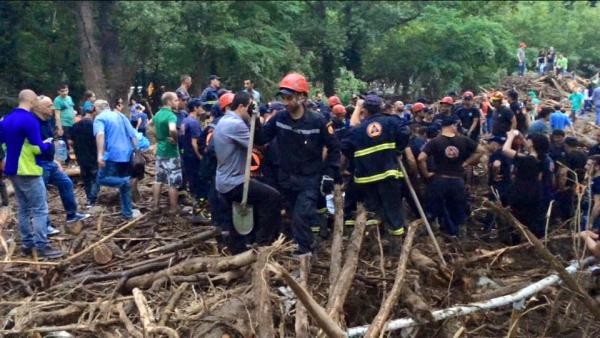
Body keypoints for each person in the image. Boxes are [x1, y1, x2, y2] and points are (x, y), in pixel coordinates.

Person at [257, 73, 340, 255]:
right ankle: (304, 246)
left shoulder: (318, 121)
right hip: (286, 179)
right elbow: (262, 138)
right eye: (284, 98)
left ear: (302, 97)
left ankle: (303, 254)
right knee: (294, 215)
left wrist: (329, 174)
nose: (285, 102)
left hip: (309, 179)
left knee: (302, 214)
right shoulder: (279, 118)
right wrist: (254, 120)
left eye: (289, 98)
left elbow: (334, 148)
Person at [214, 91, 281, 253]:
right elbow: (259, 142)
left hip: (223, 180)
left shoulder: (224, 120)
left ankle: (237, 249)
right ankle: (263, 242)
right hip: (234, 182)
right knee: (272, 197)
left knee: (237, 213)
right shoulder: (235, 125)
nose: (251, 111)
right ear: (242, 106)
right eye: (250, 108)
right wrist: (256, 119)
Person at [1, 90, 63, 258]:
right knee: (40, 209)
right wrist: (49, 147)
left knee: (23, 208)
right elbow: (38, 145)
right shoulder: (29, 119)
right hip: (28, 169)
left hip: (12, 169)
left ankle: (28, 244)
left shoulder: (6, 119)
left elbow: (5, 144)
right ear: (33, 101)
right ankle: (42, 245)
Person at [341, 94, 410, 238]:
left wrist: (357, 158)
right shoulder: (391, 121)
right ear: (381, 108)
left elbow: (346, 146)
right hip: (388, 175)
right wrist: (397, 150)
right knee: (393, 210)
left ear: (364, 111)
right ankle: (395, 244)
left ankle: (374, 240)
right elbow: (405, 133)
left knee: (372, 210)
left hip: (366, 180)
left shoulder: (358, 129)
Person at [418, 116, 483, 237]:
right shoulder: (464, 140)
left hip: (440, 180)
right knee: (458, 208)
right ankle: (461, 237)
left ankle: (433, 234)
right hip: (457, 180)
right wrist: (466, 163)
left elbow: (421, 158)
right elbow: (481, 151)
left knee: (435, 207)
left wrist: (426, 174)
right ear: (453, 126)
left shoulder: (435, 141)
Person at [33, 96, 90, 230]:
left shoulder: (47, 121)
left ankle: (72, 214)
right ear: (39, 108)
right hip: (39, 163)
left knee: (66, 183)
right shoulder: (33, 123)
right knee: (41, 194)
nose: (52, 108)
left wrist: (55, 160)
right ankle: (44, 226)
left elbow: (51, 141)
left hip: (50, 162)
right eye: (49, 106)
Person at [502, 131, 554, 238]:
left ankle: (515, 241)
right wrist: (521, 135)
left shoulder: (527, 160)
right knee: (532, 218)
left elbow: (505, 150)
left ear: (533, 144)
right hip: (535, 192)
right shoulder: (542, 159)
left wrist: (510, 137)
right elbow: (531, 149)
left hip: (521, 192)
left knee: (517, 219)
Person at [93, 99, 139, 220]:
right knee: (124, 187)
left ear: (97, 108)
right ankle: (127, 214)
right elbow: (132, 134)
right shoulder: (120, 115)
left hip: (112, 155)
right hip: (127, 154)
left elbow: (100, 135)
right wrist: (137, 151)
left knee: (101, 179)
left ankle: (125, 182)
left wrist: (99, 155)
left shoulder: (99, 118)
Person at [149, 92, 183, 215]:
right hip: (171, 152)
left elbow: (149, 125)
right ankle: (173, 208)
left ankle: (155, 206)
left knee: (158, 179)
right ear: (168, 102)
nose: (177, 102)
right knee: (173, 182)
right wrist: (175, 138)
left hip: (160, 151)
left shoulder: (157, 114)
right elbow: (173, 129)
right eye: (175, 100)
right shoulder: (171, 116)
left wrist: (158, 136)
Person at [181, 98, 210, 222]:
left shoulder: (184, 120)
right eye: (200, 107)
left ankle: (197, 210)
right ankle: (199, 213)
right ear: (195, 108)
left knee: (193, 186)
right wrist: (201, 157)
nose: (202, 109)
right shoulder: (194, 123)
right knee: (200, 188)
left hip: (186, 157)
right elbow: (195, 143)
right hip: (194, 158)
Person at [71, 100, 99, 207]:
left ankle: (89, 199)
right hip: (94, 156)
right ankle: (93, 199)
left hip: (81, 157)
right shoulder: (95, 125)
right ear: (94, 113)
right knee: (96, 178)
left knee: (87, 179)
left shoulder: (75, 126)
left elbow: (71, 141)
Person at [53, 84, 77, 163]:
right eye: (62, 91)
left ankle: (76, 158)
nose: (64, 93)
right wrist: (59, 128)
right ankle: (67, 160)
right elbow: (57, 114)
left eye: (66, 90)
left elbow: (72, 108)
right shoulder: (57, 100)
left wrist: (75, 120)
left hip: (72, 123)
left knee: (74, 141)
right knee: (65, 142)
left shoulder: (69, 98)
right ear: (59, 92)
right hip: (64, 123)